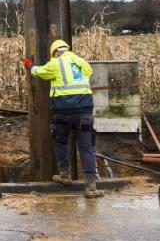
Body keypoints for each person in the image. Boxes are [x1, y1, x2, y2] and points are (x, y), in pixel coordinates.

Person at [23, 39, 104, 198]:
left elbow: (39, 72)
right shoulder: (81, 61)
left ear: (55, 53)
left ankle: (65, 175)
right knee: (87, 148)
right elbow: (88, 73)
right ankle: (91, 188)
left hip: (64, 112)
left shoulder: (55, 63)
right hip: (85, 112)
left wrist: (29, 64)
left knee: (60, 141)